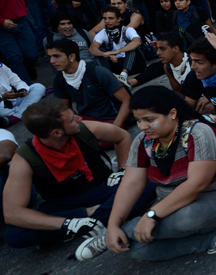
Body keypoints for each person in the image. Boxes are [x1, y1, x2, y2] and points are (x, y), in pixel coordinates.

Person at [75, 87, 216, 261]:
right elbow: (131, 183)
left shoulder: (198, 133)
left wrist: (150, 215)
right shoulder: (143, 142)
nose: (143, 126)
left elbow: (196, 184)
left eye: (149, 119)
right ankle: (213, 238)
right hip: (174, 205)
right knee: (137, 249)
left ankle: (126, 231)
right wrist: (114, 225)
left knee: (184, 219)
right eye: (138, 120)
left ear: (172, 113)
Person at [3, 100, 155, 249]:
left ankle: (83, 227)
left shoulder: (85, 129)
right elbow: (12, 213)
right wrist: (69, 221)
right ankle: (104, 218)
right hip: (65, 205)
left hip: (104, 188)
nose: (79, 118)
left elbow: (122, 136)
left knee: (151, 181)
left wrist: (123, 170)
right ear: (56, 133)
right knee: (15, 235)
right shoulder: (24, 159)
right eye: (72, 120)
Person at [48, 38, 131, 129]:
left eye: (56, 56)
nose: (52, 61)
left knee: (101, 140)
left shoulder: (97, 72)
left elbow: (127, 100)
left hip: (110, 118)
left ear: (71, 56)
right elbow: (66, 109)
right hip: (85, 119)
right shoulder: (59, 79)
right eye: (50, 57)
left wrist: (116, 126)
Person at [90, 5, 146, 81]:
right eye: (105, 18)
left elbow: (137, 42)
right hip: (116, 64)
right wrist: (105, 54)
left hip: (134, 64)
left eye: (111, 18)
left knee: (132, 46)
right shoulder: (103, 33)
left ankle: (124, 75)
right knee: (100, 50)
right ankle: (107, 76)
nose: (107, 21)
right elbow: (92, 48)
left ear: (119, 19)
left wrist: (117, 52)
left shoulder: (127, 30)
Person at [0, 61, 45, 127]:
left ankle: (16, 116)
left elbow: (15, 79)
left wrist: (22, 89)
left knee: (38, 87)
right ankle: (23, 110)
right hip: (1, 107)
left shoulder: (1, 66)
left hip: (14, 101)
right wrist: (2, 97)